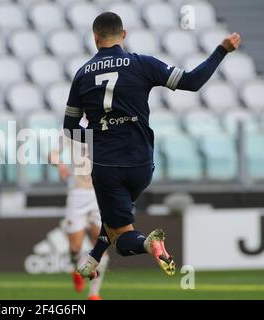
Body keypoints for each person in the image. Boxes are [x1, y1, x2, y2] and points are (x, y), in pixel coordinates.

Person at [62, 12, 241, 279]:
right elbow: (192, 82)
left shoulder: (82, 74)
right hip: (142, 165)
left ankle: (148, 244)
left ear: (95, 37)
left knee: (124, 239)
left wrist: (96, 135)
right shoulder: (141, 64)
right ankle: (92, 259)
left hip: (107, 165)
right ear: (123, 35)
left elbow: (70, 128)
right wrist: (221, 50)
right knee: (114, 216)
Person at [50, 116, 108, 300]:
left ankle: (94, 293)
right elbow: (52, 153)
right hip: (78, 193)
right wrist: (59, 165)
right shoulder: (71, 127)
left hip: (101, 192)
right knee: (75, 247)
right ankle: (76, 268)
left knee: (102, 244)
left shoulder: (108, 122)